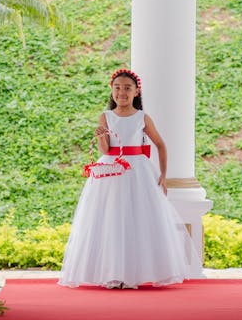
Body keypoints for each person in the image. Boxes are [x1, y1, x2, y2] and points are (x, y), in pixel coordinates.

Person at [59, 68, 203, 289]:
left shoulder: (142, 118)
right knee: (111, 220)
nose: (121, 92)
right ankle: (112, 273)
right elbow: (106, 149)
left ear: (136, 92)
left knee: (137, 220)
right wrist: (100, 138)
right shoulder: (105, 117)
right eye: (117, 88)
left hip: (138, 171)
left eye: (127, 88)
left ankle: (134, 273)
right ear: (111, 91)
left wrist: (163, 176)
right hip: (111, 171)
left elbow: (161, 145)